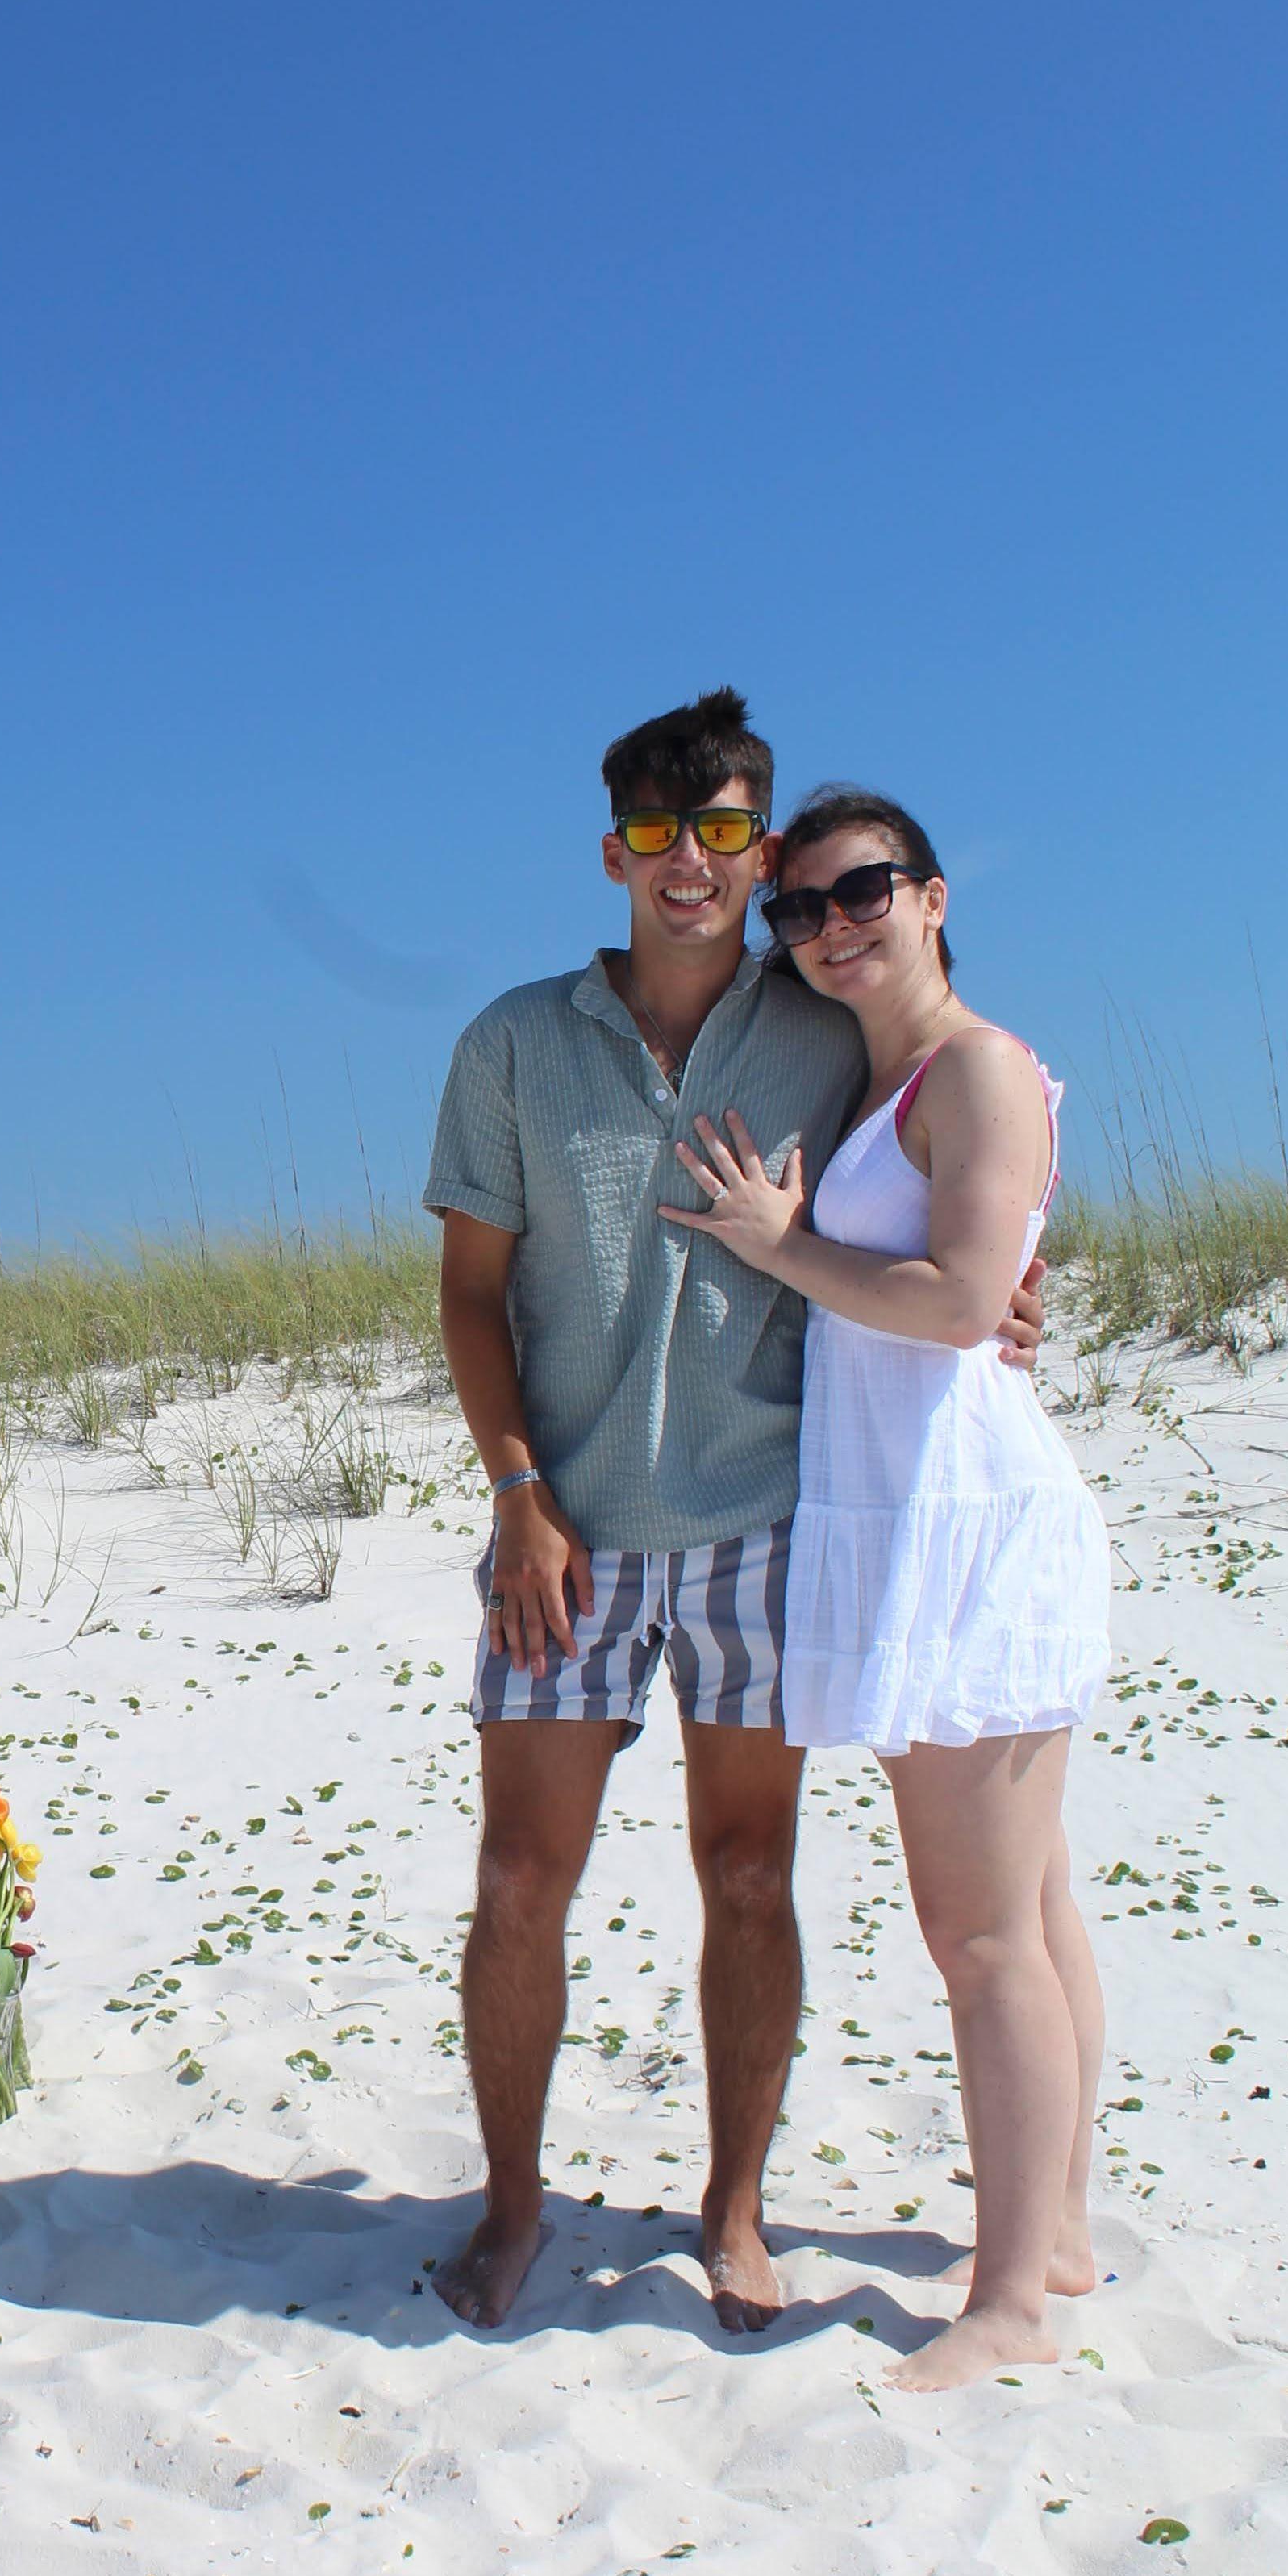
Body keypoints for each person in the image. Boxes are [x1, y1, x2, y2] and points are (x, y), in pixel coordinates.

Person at [420, 690, 1045, 2335]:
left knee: (750, 1872)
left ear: (756, 848)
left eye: (719, 833)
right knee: (516, 1882)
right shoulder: (511, 1041)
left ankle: (736, 2209)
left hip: (766, 1520)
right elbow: (471, 1297)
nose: (685, 865)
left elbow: (948, 1159)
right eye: (651, 834)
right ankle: (508, 2204)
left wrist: (1019, 1280)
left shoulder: (825, 1026)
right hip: (562, 1528)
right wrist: (518, 1497)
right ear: (612, 851)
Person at [667, 790, 1115, 2388]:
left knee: (979, 1930)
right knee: (1032, 1901)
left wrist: (778, 1242)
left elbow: (955, 1299)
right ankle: (1052, 2223)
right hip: (916, 1515)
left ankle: (1005, 2309)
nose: (827, 924)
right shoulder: (878, 1083)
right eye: (799, 908)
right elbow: (969, 1289)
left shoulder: (976, 1067)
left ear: (930, 895)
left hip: (972, 1529)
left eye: (859, 891)